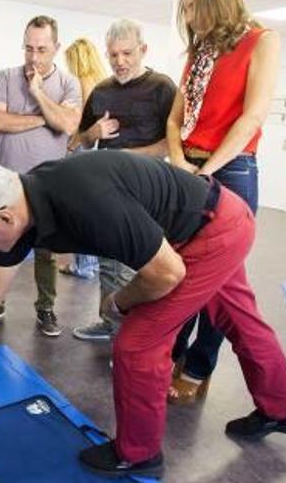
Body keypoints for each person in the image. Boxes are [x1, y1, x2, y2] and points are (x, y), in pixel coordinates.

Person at [0, 152, 286, 478]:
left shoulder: (83, 200)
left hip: (210, 231)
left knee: (138, 343)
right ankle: (283, 409)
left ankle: (139, 453)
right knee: (238, 318)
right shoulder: (20, 208)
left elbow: (167, 273)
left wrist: (118, 302)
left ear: (3, 218)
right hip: (214, 220)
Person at [165, 0, 280, 405]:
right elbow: (176, 118)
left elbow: (252, 116)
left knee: (219, 280)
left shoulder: (262, 40)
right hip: (189, 166)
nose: (190, 17)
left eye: (195, 7)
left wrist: (206, 172)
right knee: (180, 269)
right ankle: (171, 352)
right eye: (186, 9)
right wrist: (179, 162)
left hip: (230, 168)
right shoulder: (199, 54)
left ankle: (199, 366)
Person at [70, 19, 178, 342]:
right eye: (113, 54)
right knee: (108, 262)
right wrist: (92, 133)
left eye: (127, 53)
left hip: (148, 191)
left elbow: (173, 143)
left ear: (143, 50)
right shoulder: (101, 91)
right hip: (107, 191)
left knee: (138, 266)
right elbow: (79, 140)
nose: (120, 61)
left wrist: (128, 159)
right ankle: (109, 322)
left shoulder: (162, 88)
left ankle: (133, 338)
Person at [0, 15, 81, 336]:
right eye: (29, 48)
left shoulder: (69, 83)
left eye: (42, 49)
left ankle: (46, 308)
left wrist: (38, 93)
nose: (34, 57)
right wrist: (45, 118)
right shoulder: (6, 76)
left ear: (56, 47)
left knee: (46, 250)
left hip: (47, 184)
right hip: (8, 181)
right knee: (0, 242)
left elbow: (68, 125)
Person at [57, 37, 106, 280]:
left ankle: (84, 266)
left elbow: (83, 121)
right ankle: (91, 264)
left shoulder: (84, 82)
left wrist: (72, 143)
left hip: (84, 150)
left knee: (80, 210)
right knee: (93, 210)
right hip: (97, 151)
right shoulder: (102, 81)